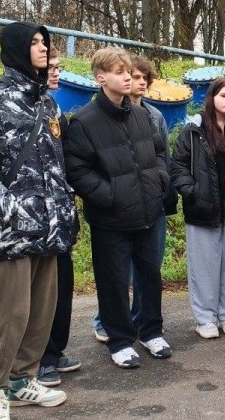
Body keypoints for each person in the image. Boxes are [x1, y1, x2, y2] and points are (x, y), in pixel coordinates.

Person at [0, 22, 77, 420]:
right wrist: (13, 212)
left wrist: (62, 211)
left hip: (49, 230)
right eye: (34, 42)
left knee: (41, 315)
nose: (43, 48)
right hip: (12, 234)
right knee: (9, 317)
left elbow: (56, 166)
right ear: (15, 48)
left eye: (45, 42)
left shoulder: (47, 102)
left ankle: (22, 380)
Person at [64, 47, 172, 369]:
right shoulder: (84, 121)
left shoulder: (142, 115)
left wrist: (158, 181)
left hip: (148, 212)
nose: (127, 78)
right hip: (110, 219)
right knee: (113, 281)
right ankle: (121, 341)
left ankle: (151, 332)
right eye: (119, 72)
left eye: (128, 72)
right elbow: (76, 169)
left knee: (150, 275)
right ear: (101, 78)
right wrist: (109, 196)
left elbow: (158, 153)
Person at [91, 54, 177, 342]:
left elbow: (162, 156)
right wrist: (110, 194)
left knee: (149, 268)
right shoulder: (96, 116)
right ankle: (108, 322)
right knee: (118, 272)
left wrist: (161, 186)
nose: (137, 81)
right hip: (118, 209)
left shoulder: (153, 116)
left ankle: (142, 321)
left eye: (143, 77)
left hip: (151, 203)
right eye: (132, 75)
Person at [170, 77, 225, 338]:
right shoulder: (193, 131)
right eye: (223, 96)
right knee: (203, 267)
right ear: (211, 98)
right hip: (203, 210)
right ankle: (205, 319)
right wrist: (192, 192)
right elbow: (178, 166)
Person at [36, 47, 81, 386]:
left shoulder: (54, 107)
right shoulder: (5, 102)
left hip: (60, 218)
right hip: (30, 220)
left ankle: (53, 351)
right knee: (35, 294)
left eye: (58, 66)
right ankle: (35, 358)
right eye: (49, 66)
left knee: (61, 287)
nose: (56, 72)